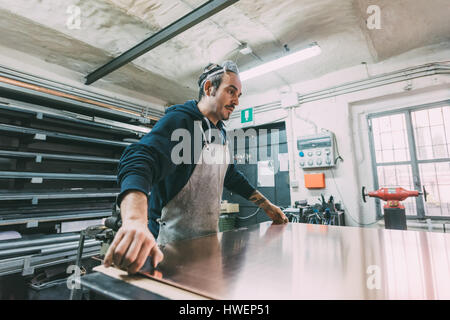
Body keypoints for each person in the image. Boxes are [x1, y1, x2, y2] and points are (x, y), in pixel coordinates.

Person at [104, 61, 288, 274]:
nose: (237, 101)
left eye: (239, 95)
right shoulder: (182, 122)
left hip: (206, 244)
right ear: (209, 88)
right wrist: (135, 220)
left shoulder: (219, 133)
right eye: (231, 91)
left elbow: (231, 176)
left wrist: (266, 205)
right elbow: (140, 158)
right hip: (167, 248)